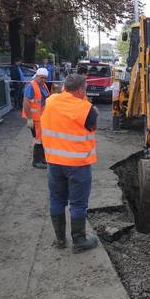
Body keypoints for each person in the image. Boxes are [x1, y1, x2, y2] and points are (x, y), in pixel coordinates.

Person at [40, 73, 99, 252]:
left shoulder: (50, 101)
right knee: (78, 204)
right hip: (78, 165)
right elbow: (92, 126)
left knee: (57, 200)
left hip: (54, 162)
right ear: (81, 89)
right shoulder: (88, 109)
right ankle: (79, 241)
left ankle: (60, 240)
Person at [23, 67, 51, 168]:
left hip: (41, 118)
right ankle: (36, 161)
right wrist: (29, 118)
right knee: (38, 139)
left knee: (42, 139)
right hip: (34, 119)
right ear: (37, 76)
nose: (43, 80)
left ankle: (42, 159)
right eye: (41, 78)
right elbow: (26, 103)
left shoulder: (43, 85)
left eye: (45, 78)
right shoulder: (31, 86)